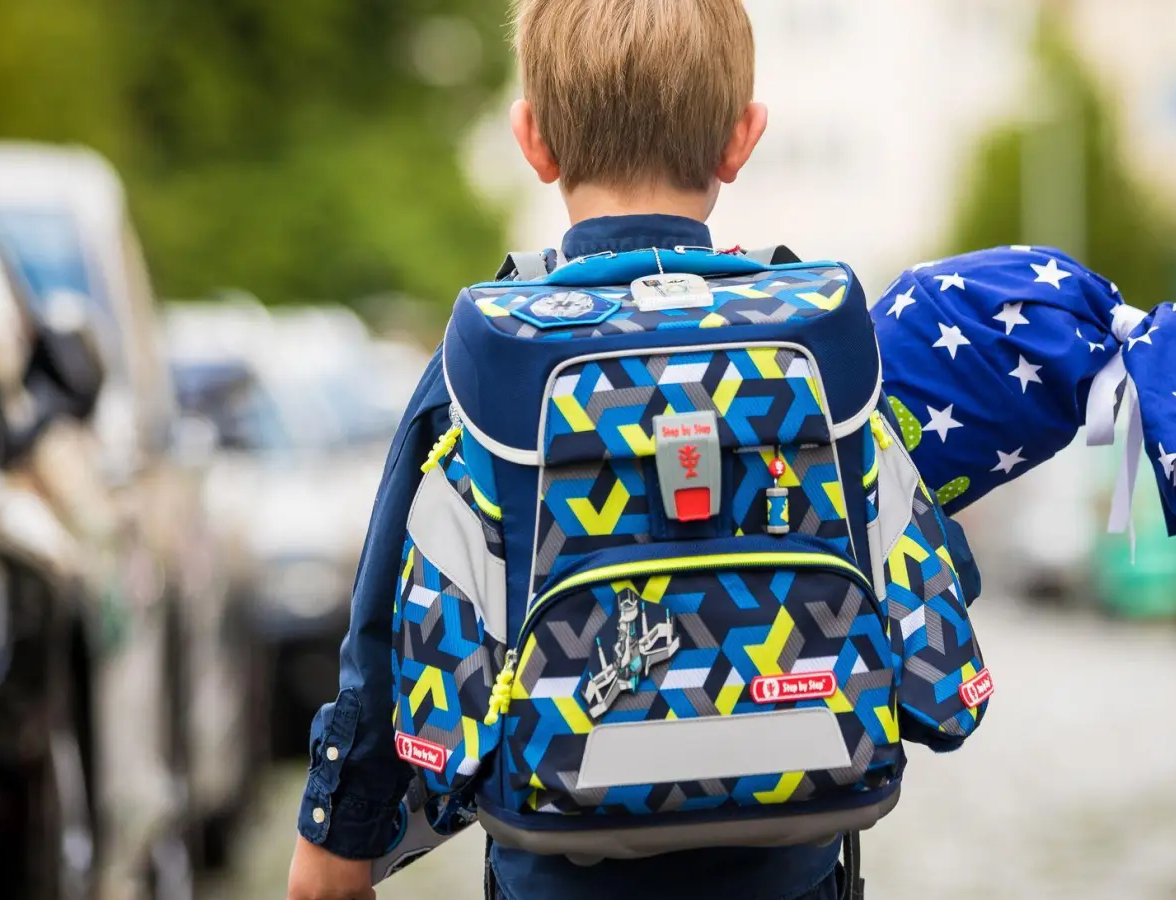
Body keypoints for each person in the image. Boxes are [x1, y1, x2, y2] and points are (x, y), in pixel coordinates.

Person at [286, 2, 869, 898]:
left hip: (553, 860)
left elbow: (383, 622)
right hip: (792, 862)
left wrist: (340, 829)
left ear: (533, 140)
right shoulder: (818, 343)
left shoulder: (492, 356)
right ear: (741, 140)